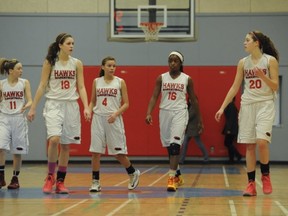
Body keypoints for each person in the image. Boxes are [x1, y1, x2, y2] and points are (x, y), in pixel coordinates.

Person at [215, 31, 279, 196]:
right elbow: (235, 87)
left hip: (265, 104)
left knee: (262, 142)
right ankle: (251, 184)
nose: (244, 43)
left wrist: (262, 77)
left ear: (256, 43)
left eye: (247, 40)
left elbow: (275, 86)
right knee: (250, 145)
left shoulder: (270, 61)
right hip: (248, 105)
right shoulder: (243, 63)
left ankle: (265, 176)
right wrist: (222, 108)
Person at [27, 33, 91, 194]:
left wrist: (86, 106)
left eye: (73, 43)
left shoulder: (77, 63)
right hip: (54, 104)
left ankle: (61, 181)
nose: (72, 46)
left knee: (66, 145)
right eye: (69, 43)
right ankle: (50, 176)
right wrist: (33, 107)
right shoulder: (50, 62)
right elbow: (42, 85)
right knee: (54, 139)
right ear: (60, 45)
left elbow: (81, 87)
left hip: (71, 105)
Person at [145, 51, 200, 192]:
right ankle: (178, 175)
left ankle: (171, 178)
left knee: (175, 146)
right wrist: (149, 112)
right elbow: (154, 97)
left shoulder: (187, 79)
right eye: (170, 60)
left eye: (175, 61)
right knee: (170, 147)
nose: (172, 63)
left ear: (181, 63)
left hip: (180, 113)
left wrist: (200, 120)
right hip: (164, 113)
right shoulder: (161, 78)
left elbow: (194, 100)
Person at [88, 56, 140, 192]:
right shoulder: (96, 82)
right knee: (95, 152)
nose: (112, 68)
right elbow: (93, 101)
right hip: (98, 118)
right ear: (103, 67)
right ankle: (95, 182)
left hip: (114, 119)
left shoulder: (120, 82)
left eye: (114, 66)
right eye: (109, 65)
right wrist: (88, 109)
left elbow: (127, 104)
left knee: (118, 154)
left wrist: (116, 114)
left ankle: (133, 173)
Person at [0, 58, 32, 190]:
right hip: (4, 118)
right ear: (10, 71)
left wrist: (27, 106)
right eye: (19, 68)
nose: (21, 71)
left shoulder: (24, 83)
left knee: (17, 151)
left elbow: (30, 100)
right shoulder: (1, 84)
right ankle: (1, 177)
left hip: (19, 118)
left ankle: (15, 178)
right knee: (0, 147)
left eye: (22, 68)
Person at [179, 98, 209, 164]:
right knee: (187, 144)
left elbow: (189, 117)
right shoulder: (192, 107)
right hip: (191, 129)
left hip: (193, 129)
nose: (190, 100)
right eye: (189, 99)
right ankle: (181, 160)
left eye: (191, 99)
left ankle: (206, 158)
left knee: (195, 143)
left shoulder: (194, 107)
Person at [222, 97, 242, 164]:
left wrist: (229, 129)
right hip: (233, 128)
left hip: (231, 129)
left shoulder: (230, 106)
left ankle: (238, 155)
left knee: (227, 143)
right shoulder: (233, 106)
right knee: (229, 143)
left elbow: (230, 119)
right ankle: (232, 159)